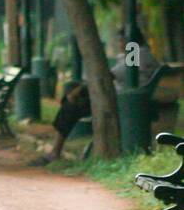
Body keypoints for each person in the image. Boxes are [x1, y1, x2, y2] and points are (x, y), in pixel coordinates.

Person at [32, 28, 160, 164]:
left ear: (130, 41)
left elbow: (108, 76)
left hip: (122, 102)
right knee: (71, 100)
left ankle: (55, 151)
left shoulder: (136, 53)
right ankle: (56, 148)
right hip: (121, 98)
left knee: (71, 104)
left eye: (122, 40)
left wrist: (79, 91)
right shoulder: (140, 53)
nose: (120, 44)